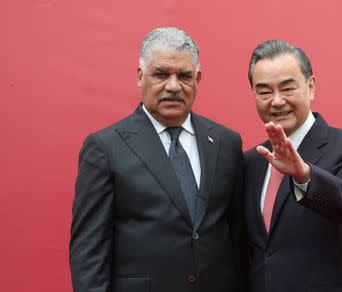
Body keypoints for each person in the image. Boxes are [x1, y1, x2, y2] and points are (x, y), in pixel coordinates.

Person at [70, 27, 246, 292]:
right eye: (161, 74)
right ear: (141, 77)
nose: (173, 86)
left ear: (198, 79)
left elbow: (237, 238)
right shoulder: (105, 147)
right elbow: (88, 252)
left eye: (184, 76)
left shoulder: (226, 142)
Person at [244, 40, 342, 292]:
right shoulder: (251, 161)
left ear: (311, 87)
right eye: (264, 92)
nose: (277, 101)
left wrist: (304, 174)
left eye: (288, 88)